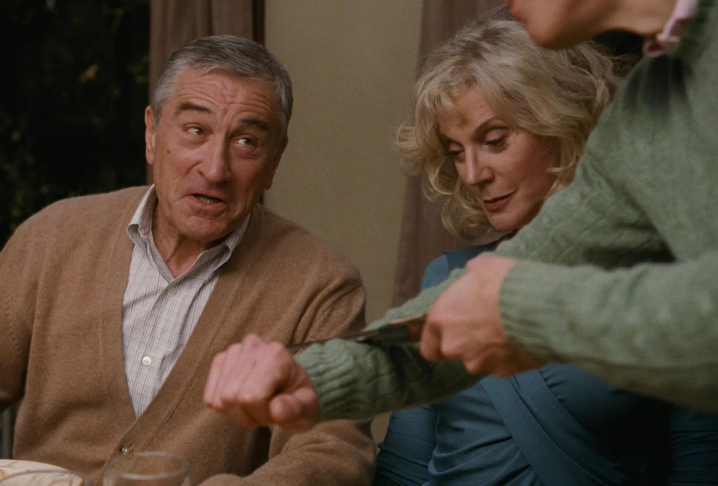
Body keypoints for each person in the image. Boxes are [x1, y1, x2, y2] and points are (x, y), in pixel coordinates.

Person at [0, 36, 376, 485]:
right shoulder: (56, 236)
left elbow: (329, 452)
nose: (214, 168)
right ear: (152, 133)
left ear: (274, 161)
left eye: (246, 142)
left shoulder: (319, 285)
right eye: (195, 131)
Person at [203, 0, 718, 435]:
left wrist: (518, 309)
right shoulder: (648, 108)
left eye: (495, 140)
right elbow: (526, 267)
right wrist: (314, 376)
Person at [369, 15, 718, 486]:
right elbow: (404, 467)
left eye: (495, 141)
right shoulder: (445, 278)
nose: (473, 174)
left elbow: (699, 463)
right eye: (456, 151)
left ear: (561, 125)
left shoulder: (662, 282)